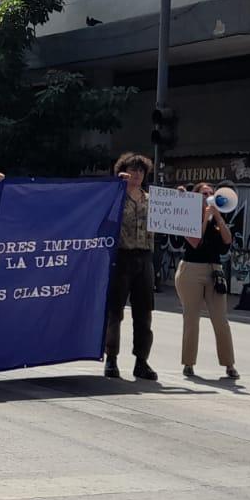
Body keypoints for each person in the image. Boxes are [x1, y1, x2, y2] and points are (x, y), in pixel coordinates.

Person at [174, 183, 238, 381]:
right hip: (191, 269)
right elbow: (195, 241)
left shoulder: (219, 217)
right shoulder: (187, 216)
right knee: (191, 318)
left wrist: (217, 216)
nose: (209, 197)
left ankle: (229, 364)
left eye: (211, 193)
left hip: (214, 270)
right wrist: (204, 217)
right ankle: (188, 363)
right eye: (204, 194)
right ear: (196, 197)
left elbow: (227, 240)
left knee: (221, 319)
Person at [105, 152, 157, 381]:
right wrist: (116, 186)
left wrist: (183, 201)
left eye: (140, 171)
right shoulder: (113, 197)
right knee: (115, 312)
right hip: (120, 257)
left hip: (144, 258)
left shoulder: (153, 199)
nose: (136, 174)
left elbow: (175, 217)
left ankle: (141, 361)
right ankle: (111, 359)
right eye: (132, 170)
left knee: (144, 313)